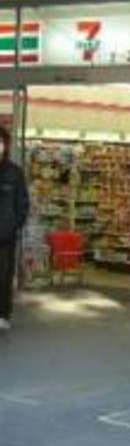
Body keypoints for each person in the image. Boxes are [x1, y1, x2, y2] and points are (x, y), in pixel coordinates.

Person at [0, 126, 29, 331]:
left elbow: (23, 204)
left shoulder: (15, 172)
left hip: (5, 236)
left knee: (3, 276)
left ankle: (3, 313)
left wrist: (13, 225)